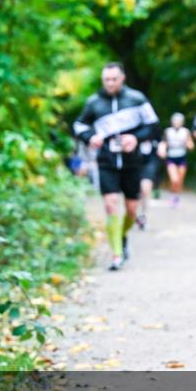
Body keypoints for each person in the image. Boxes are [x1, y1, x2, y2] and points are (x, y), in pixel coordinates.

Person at [73, 62, 160, 271]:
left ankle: (121, 234)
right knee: (111, 205)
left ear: (122, 79)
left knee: (131, 210)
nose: (110, 83)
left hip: (132, 162)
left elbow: (154, 126)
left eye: (114, 79)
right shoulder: (94, 102)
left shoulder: (137, 99)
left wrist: (135, 138)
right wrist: (90, 137)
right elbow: (79, 125)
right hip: (106, 162)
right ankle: (116, 254)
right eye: (106, 80)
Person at [161, 112, 194, 208]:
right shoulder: (168, 131)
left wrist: (187, 143)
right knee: (174, 179)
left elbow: (191, 146)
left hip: (182, 157)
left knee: (179, 181)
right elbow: (163, 143)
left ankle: (176, 198)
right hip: (171, 157)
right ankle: (172, 196)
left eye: (178, 121)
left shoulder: (185, 131)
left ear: (182, 122)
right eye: (175, 121)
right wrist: (162, 151)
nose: (176, 123)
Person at [137, 127, 163, 230]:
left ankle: (143, 215)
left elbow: (162, 143)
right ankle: (136, 213)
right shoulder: (133, 133)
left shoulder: (155, 135)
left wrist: (162, 149)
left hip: (150, 163)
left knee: (145, 190)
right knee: (135, 192)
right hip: (134, 164)